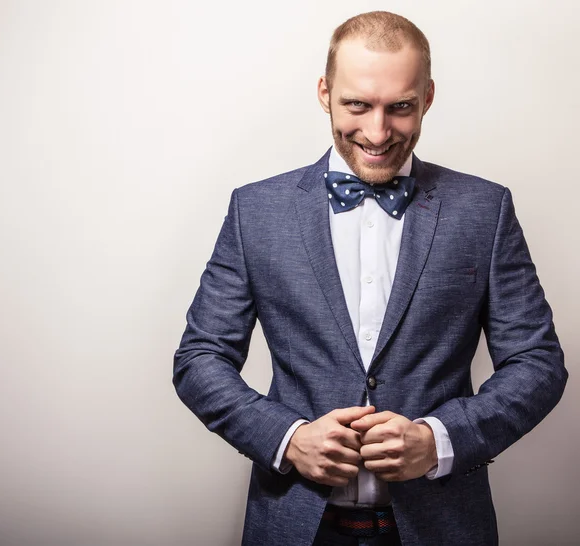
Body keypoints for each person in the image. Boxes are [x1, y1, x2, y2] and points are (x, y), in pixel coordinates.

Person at [173, 11, 567, 546]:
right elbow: (199, 359)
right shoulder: (256, 211)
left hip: (442, 526)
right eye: (357, 104)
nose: (377, 132)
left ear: (427, 97)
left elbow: (537, 363)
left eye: (400, 107)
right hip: (293, 525)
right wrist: (287, 439)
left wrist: (440, 439)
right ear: (324, 92)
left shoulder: (485, 210)